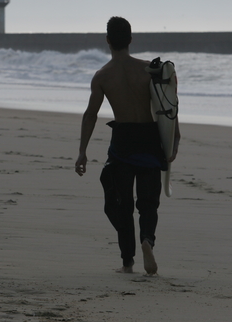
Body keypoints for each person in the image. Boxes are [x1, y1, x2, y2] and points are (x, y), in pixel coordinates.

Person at [75, 16, 180, 275]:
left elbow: (91, 115)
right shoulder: (149, 70)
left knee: (120, 204)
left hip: (122, 143)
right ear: (131, 39)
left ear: (108, 40)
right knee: (148, 202)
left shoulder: (102, 76)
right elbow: (169, 106)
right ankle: (147, 240)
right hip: (149, 140)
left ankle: (127, 262)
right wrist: (174, 139)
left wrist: (82, 152)